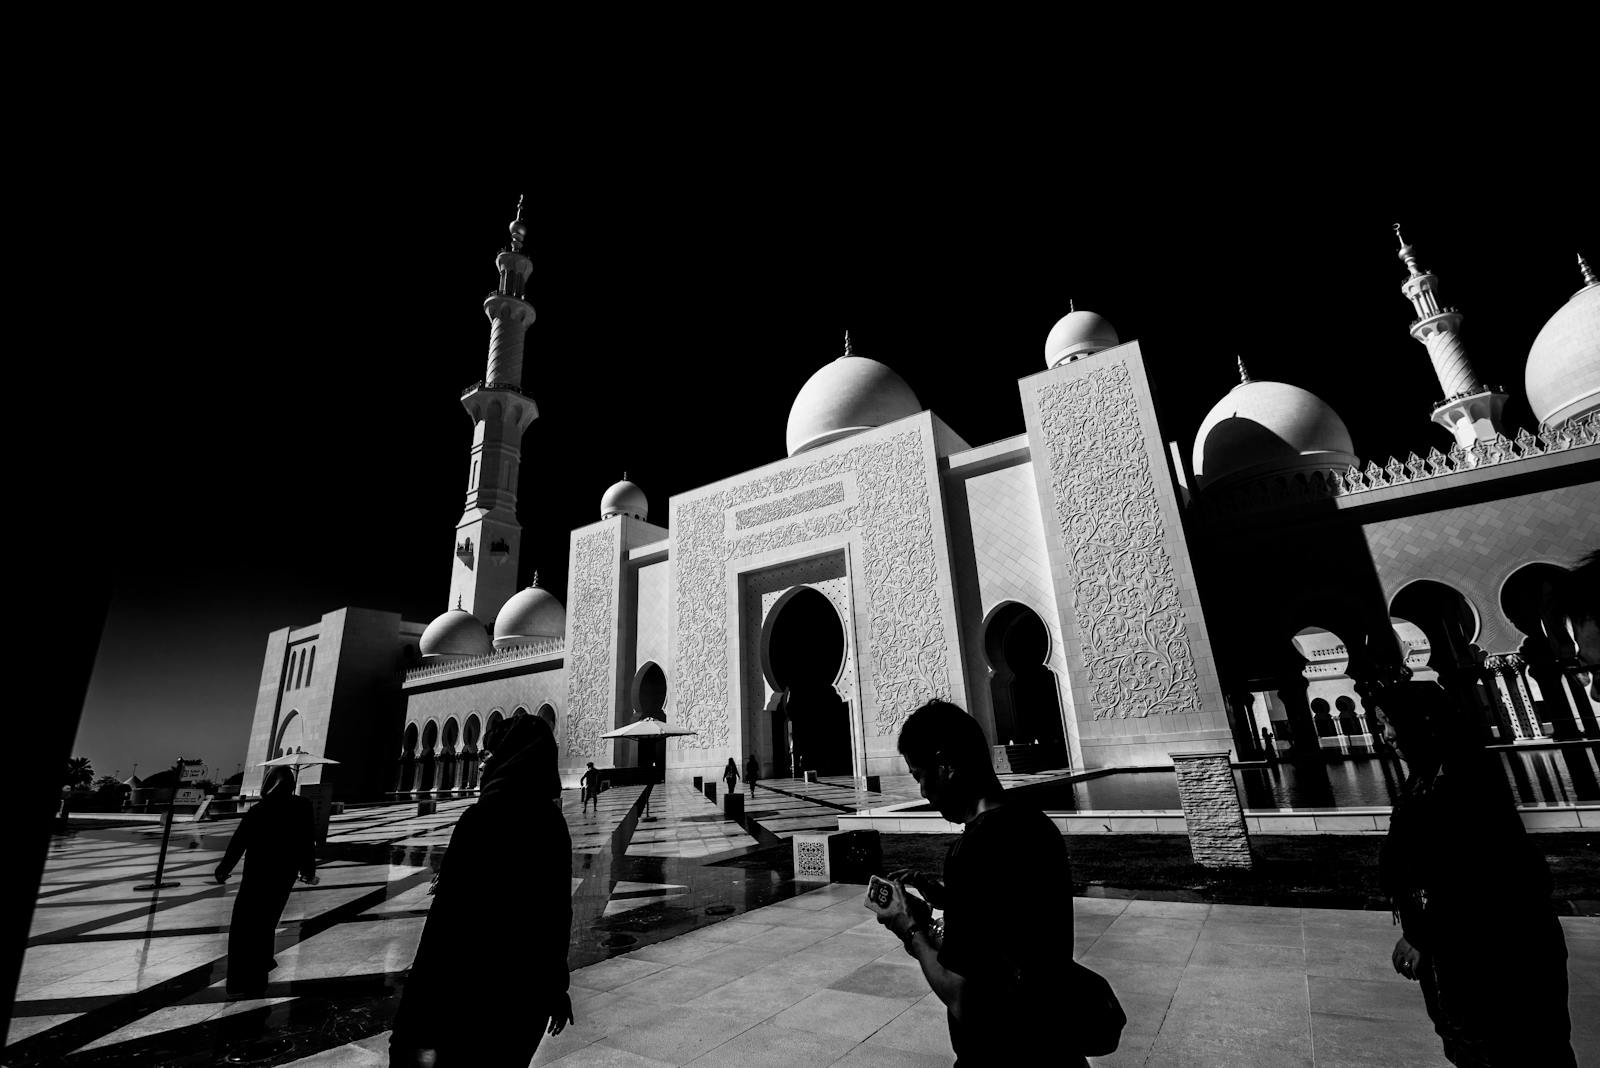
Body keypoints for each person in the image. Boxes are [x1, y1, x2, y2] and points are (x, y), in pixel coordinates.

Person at [1363, 672, 1576, 1067]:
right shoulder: (1425, 783)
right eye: (1379, 725)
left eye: (1390, 723)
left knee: (1515, 1049)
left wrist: (1423, 936)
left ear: (1421, 722)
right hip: (1460, 960)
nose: (1386, 736)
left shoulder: (1465, 783)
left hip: (1500, 962)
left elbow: (1481, 880)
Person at [866, 700, 1087, 1066]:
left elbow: (964, 998)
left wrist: (910, 930)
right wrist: (953, 900)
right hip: (1059, 1049)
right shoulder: (1036, 825)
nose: (923, 791)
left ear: (946, 764)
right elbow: (1013, 922)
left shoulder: (973, 849)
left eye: (921, 775)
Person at [389, 711, 573, 1067]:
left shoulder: (482, 819)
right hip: (526, 1003)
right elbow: (556, 917)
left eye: (490, 753)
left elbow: (447, 924)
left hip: (472, 998)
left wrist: (413, 1017)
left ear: (510, 756)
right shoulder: (552, 823)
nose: (482, 762)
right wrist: (555, 987)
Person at [213, 766, 317, 999]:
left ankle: (241, 980)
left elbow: (238, 842)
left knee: (244, 925)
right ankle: (259, 975)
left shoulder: (259, 810)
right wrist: (308, 871)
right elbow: (307, 842)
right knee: (265, 923)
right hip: (283, 877)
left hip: (257, 876)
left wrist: (223, 869)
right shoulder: (302, 807)